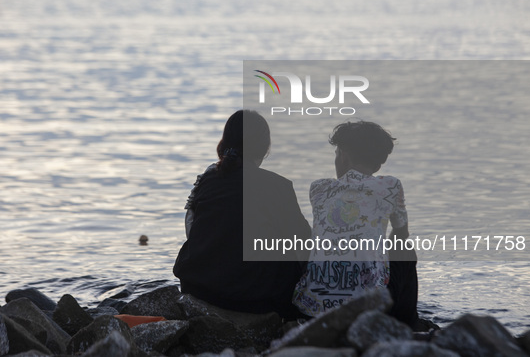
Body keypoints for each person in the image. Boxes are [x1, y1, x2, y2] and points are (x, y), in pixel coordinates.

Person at [173, 110, 311, 319]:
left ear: (224, 142)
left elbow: (191, 231)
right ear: (265, 148)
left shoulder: (206, 180)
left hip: (198, 286)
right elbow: (303, 241)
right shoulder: (278, 185)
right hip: (254, 297)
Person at [292, 120, 419, 327]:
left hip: (312, 306)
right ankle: (408, 323)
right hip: (367, 306)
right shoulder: (391, 186)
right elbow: (401, 234)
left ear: (343, 154)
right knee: (405, 249)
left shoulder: (318, 189)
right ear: (378, 163)